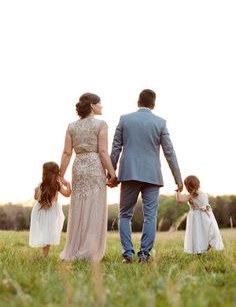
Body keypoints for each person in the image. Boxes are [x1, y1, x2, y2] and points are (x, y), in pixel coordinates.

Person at [110, 89, 182, 263]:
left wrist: (111, 174)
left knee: (125, 215)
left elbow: (115, 149)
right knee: (151, 215)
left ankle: (128, 254)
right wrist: (178, 178)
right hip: (152, 175)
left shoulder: (124, 119)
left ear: (138, 102)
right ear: (153, 104)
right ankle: (144, 255)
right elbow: (169, 153)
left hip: (129, 173)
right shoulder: (160, 122)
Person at [59, 93, 117, 261]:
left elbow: (66, 153)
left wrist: (61, 175)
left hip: (78, 166)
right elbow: (104, 152)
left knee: (79, 206)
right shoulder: (101, 125)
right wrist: (113, 174)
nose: (102, 107)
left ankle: (74, 248)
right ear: (92, 105)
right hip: (94, 166)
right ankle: (90, 250)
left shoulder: (71, 127)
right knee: (95, 207)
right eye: (100, 104)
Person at [29, 162, 71, 257]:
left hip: (40, 212)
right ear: (56, 174)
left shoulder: (41, 185)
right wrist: (68, 184)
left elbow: (36, 198)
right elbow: (67, 194)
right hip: (51, 212)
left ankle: (44, 255)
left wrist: (36, 192)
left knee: (45, 232)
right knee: (48, 233)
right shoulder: (57, 185)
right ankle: (45, 255)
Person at [176, 175, 224, 254]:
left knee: (199, 234)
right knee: (206, 232)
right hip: (205, 215)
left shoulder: (192, 195)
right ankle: (204, 247)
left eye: (186, 186)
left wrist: (178, 191)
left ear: (189, 186)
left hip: (198, 216)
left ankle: (202, 248)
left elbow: (179, 200)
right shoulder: (201, 193)